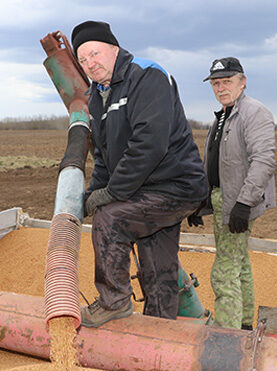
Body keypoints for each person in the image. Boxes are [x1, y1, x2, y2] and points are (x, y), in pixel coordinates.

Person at [71, 20, 208, 327]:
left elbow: (150, 144)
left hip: (176, 186)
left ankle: (114, 301)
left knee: (111, 219)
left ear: (113, 48)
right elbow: (105, 157)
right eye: (82, 60)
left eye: (94, 53)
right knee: (158, 267)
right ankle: (159, 333)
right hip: (143, 190)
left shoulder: (146, 76)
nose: (90, 63)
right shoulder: (96, 96)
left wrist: (111, 194)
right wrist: (93, 193)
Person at [187, 57, 276, 330]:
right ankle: (245, 323)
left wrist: (243, 203)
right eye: (216, 83)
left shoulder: (254, 112)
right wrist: (201, 202)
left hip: (238, 202)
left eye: (227, 81)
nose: (220, 87)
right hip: (222, 198)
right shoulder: (223, 115)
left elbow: (264, 160)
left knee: (224, 271)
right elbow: (214, 162)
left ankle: (228, 335)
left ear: (242, 82)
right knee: (240, 262)